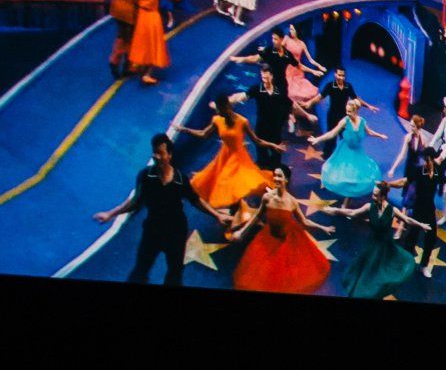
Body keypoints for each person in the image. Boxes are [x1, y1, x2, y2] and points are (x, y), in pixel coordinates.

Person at [93, 133, 228, 286]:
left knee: (175, 272)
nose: (156, 156)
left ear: (169, 155)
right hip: (152, 231)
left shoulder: (180, 179)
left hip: (175, 232)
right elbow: (135, 202)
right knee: (140, 270)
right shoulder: (145, 176)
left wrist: (217, 215)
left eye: (160, 153)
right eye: (154, 152)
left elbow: (195, 200)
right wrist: (110, 214)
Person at [226, 167, 335, 293]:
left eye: (280, 176)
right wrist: (242, 231)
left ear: (286, 179)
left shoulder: (292, 201)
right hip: (268, 238)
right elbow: (256, 217)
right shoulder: (267, 197)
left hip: (288, 240)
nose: (276, 179)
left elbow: (304, 221)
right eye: (275, 175)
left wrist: (323, 227)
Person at [332, 180, 431, 299]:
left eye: (375, 194)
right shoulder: (369, 207)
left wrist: (421, 225)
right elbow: (353, 213)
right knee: (367, 270)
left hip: (386, 246)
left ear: (383, 196)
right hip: (372, 244)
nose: (372, 196)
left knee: (382, 272)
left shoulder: (392, 210)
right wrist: (337, 211)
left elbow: (407, 220)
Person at [182, 95, 272, 209]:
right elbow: (203, 134)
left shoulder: (242, 121)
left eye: (220, 109)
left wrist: (273, 145)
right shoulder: (217, 120)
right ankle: (237, 210)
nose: (218, 112)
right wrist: (186, 130)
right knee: (215, 180)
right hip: (224, 155)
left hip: (239, 157)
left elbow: (257, 141)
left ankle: (240, 209)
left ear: (227, 107)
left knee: (231, 181)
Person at [124, 0, 190, 86]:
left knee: (142, 43)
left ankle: (138, 64)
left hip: (142, 15)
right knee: (153, 45)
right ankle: (147, 74)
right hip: (152, 17)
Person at [310, 98, 389, 199]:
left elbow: (369, 132)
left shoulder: (362, 121)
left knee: (358, 174)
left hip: (357, 151)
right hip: (345, 151)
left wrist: (380, 135)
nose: (347, 113)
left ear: (356, 111)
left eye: (349, 111)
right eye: (346, 111)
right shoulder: (344, 121)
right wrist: (318, 139)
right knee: (342, 172)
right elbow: (332, 133)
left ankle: (350, 196)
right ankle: (345, 194)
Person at [321, 66, 359, 133]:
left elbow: (356, 98)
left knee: (345, 136)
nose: (341, 77)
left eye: (343, 75)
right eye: (339, 75)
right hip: (332, 115)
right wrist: (309, 103)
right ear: (335, 74)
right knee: (330, 136)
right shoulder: (329, 86)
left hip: (344, 115)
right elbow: (320, 97)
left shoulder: (348, 86)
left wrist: (368, 106)